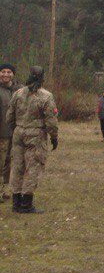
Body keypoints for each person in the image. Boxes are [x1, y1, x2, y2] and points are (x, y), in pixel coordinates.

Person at [6, 66, 58, 214]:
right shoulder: (46, 96)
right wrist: (54, 137)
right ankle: (26, 204)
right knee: (33, 166)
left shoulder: (18, 93)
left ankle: (16, 202)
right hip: (35, 134)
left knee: (17, 166)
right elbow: (51, 120)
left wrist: (16, 129)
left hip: (18, 131)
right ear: (43, 78)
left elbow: (9, 116)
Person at [0, 64, 20, 200]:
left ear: (13, 74)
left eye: (9, 72)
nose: (6, 74)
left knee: (8, 162)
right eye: (3, 72)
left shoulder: (20, 89)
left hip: (16, 132)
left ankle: (3, 189)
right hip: (2, 132)